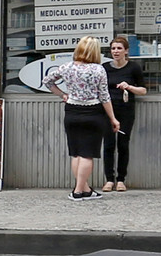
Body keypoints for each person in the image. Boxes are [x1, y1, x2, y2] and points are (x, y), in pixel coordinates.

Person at [43, 36, 119, 200]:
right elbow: (105, 97)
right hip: (92, 112)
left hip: (72, 111)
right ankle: (78, 191)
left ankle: (85, 189)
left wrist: (63, 95)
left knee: (76, 153)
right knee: (87, 154)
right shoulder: (98, 70)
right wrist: (113, 118)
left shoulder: (67, 67)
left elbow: (47, 81)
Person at [100, 35, 147, 192]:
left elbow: (143, 90)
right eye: (113, 48)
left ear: (126, 51)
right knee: (108, 145)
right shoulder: (105, 68)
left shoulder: (133, 68)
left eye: (119, 48)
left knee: (123, 144)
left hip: (126, 110)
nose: (116, 51)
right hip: (107, 111)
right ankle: (109, 180)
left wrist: (129, 87)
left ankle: (121, 179)